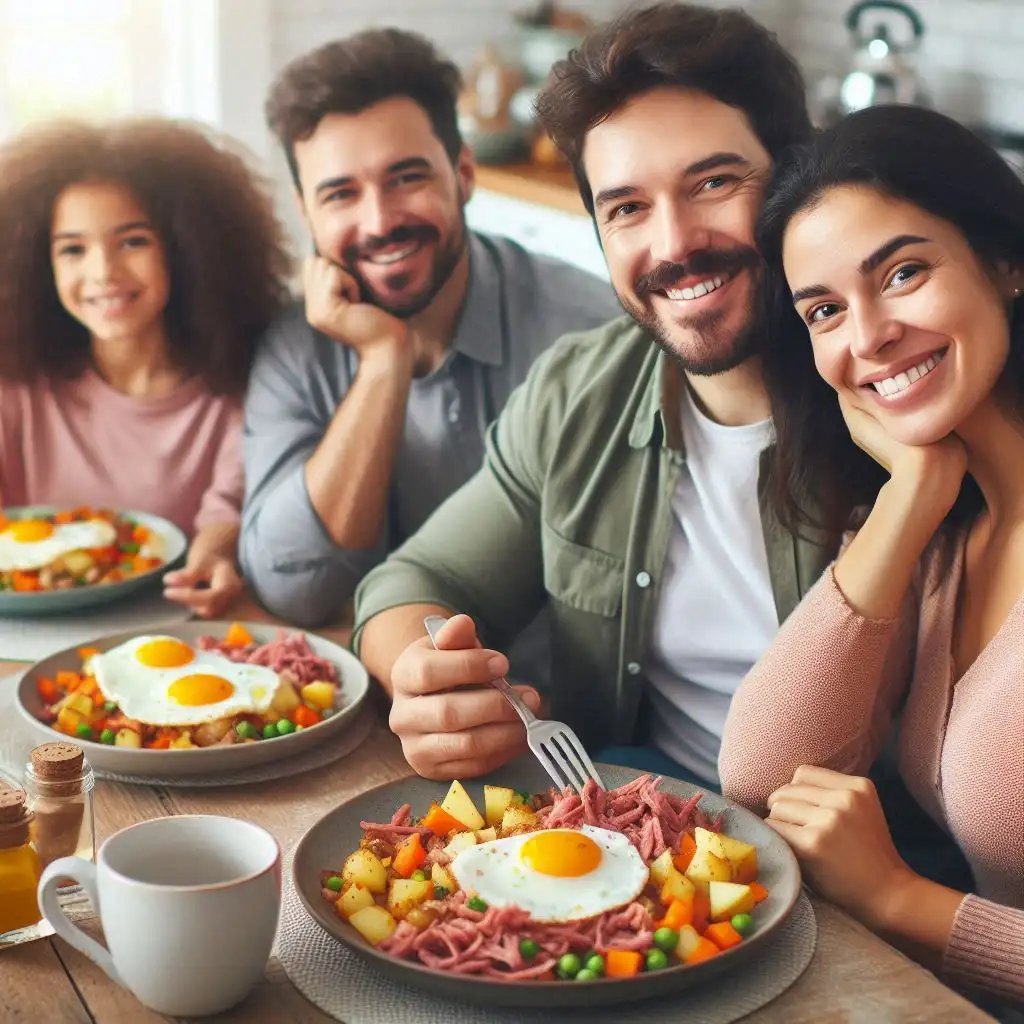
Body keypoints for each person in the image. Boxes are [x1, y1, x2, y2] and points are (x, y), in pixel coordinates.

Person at [352, 3, 832, 784]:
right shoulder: (580, 389)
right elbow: (413, 581)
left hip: (874, 876)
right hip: (647, 841)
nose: (672, 244)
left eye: (713, 181)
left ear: (795, 178)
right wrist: (421, 674)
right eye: (628, 208)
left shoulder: (898, 389)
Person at [718, 106, 1024, 1010]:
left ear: (1006, 263)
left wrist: (901, 900)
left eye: (903, 272)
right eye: (824, 310)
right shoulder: (944, 523)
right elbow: (764, 775)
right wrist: (912, 496)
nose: (868, 336)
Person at [239, 28, 619, 643]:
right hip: (369, 710)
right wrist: (384, 361)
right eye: (340, 194)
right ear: (305, 210)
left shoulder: (591, 328)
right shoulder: (292, 347)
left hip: (561, 723)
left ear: (463, 173)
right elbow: (295, 586)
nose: (380, 221)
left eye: (406, 177)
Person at [0, 118, 291, 618]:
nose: (103, 273)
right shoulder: (16, 384)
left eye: (132, 241)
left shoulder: (239, 386)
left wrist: (213, 559)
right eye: (73, 249)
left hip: (175, 635)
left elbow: (226, 508)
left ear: (186, 250)